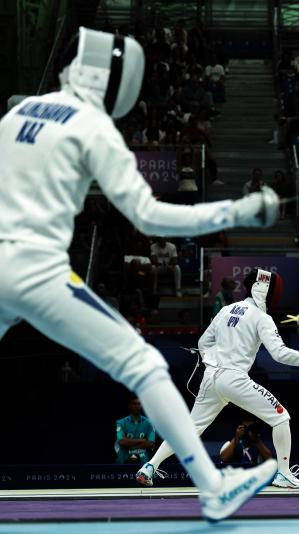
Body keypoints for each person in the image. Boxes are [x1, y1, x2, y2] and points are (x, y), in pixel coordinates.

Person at [0, 27, 279, 522]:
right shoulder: (91, 126)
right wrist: (237, 211)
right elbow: (149, 217)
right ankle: (213, 488)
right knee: (143, 364)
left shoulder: (16, 115)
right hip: (34, 269)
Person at [136, 270, 299, 490]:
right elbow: (280, 354)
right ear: (262, 289)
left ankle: (150, 466)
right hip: (234, 379)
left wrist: (213, 361)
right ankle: (284, 474)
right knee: (281, 417)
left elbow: (203, 342)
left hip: (210, 379)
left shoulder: (226, 310)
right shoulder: (262, 318)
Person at [115, 397, 156, 464]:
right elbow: (121, 441)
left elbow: (151, 443)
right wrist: (142, 440)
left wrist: (130, 444)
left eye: (139, 404)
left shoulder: (149, 423)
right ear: (129, 405)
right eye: (134, 404)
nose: (137, 406)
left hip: (143, 462)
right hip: (124, 461)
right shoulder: (121, 423)